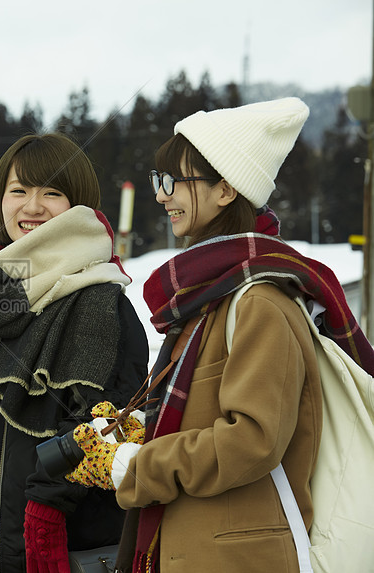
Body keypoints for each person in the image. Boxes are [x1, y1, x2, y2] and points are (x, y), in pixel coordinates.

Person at [62, 97, 374, 573]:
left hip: (238, 556)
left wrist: (134, 466)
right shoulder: (212, 297)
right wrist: (145, 427)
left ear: (226, 189)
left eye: (173, 182)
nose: (161, 195)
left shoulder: (260, 302)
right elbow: (206, 414)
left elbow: (252, 439)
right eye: (157, 181)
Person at [0, 132, 149, 573]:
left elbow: (109, 427)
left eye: (51, 193)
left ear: (78, 206)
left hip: (62, 552)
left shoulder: (101, 304)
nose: (32, 207)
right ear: (0, 200)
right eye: (19, 191)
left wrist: (46, 513)